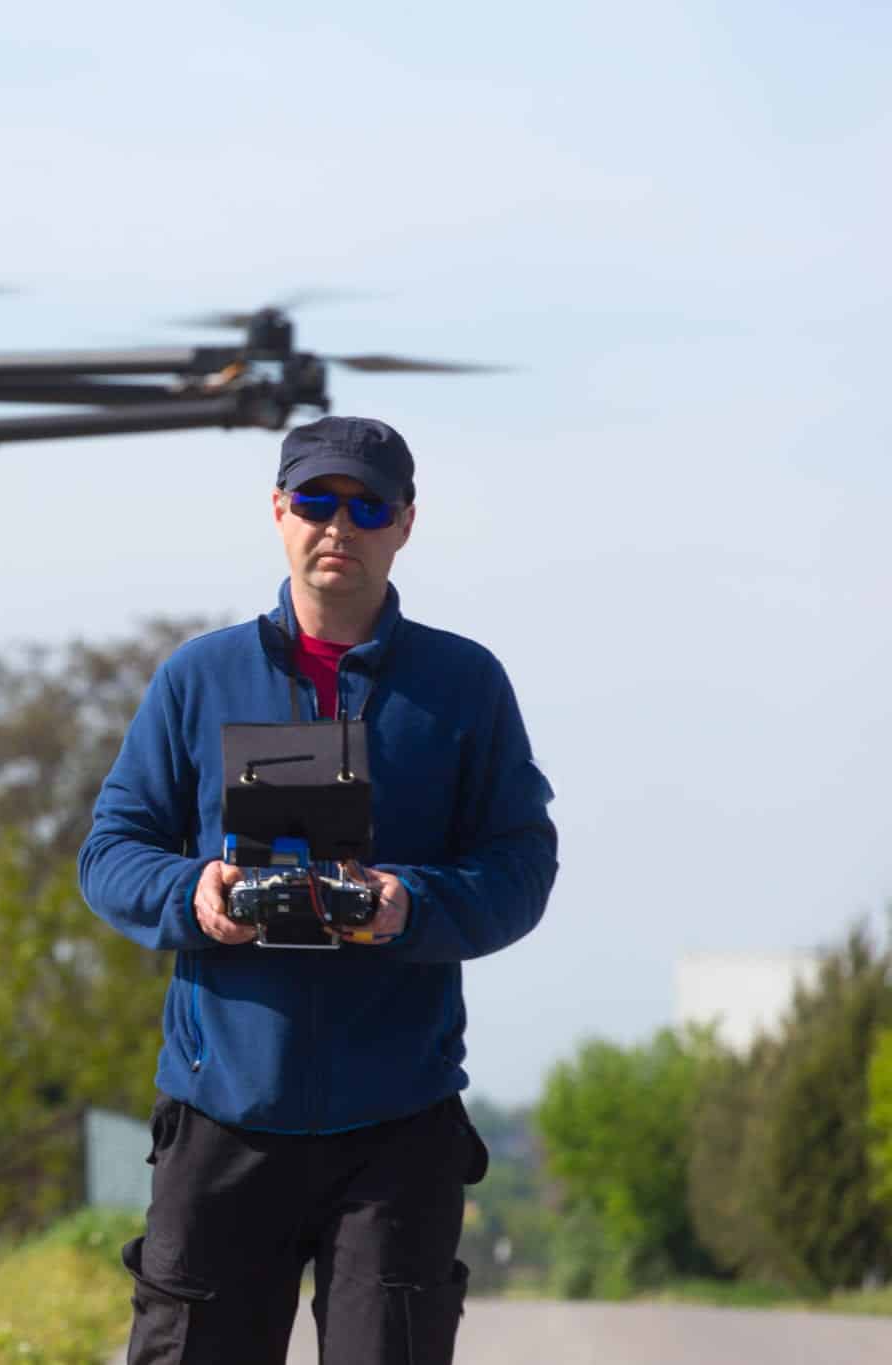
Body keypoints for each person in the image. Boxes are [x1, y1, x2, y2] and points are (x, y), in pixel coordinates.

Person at [78, 415, 557, 1365]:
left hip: (397, 1125)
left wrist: (409, 904)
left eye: (367, 505)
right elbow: (110, 852)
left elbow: (521, 867)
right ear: (278, 512)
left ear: (405, 524)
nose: (339, 525)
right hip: (224, 1117)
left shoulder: (464, 687)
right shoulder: (197, 677)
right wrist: (197, 892)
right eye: (316, 501)